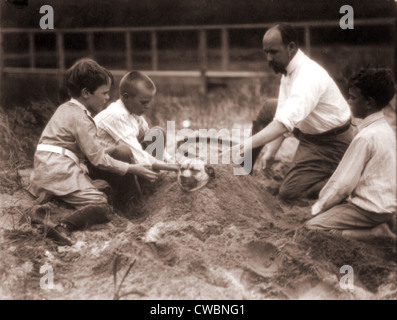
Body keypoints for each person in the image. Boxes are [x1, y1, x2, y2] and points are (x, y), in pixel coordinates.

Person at [28, 58, 158, 245]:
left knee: (110, 171)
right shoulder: (81, 118)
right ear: (86, 93)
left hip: (50, 166)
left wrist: (117, 153)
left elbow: (94, 150)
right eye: (104, 93)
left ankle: (54, 205)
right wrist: (132, 168)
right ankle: (62, 225)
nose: (107, 98)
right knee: (101, 206)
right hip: (59, 169)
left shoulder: (67, 110)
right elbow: (99, 160)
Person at [240, 23, 353, 202]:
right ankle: (243, 170)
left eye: (274, 52)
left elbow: (283, 123)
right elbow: (282, 113)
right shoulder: (288, 71)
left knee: (288, 193)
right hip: (309, 131)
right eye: (266, 52)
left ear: (291, 47)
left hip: (331, 142)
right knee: (269, 106)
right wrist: (271, 150)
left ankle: (346, 182)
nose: (269, 58)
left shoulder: (308, 76)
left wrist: (247, 144)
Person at [306, 68, 396, 241]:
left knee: (312, 228)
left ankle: (374, 233)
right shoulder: (386, 130)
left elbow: (343, 185)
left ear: (369, 103)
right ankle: (377, 227)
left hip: (368, 209)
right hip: (385, 207)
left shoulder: (365, 137)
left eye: (353, 97)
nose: (348, 101)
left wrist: (319, 208)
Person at [93, 71, 172, 212]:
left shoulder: (134, 112)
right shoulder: (117, 115)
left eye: (149, 102)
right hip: (99, 167)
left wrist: (171, 162)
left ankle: (149, 186)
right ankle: (130, 203)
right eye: (144, 102)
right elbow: (138, 155)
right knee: (123, 151)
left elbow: (147, 137)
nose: (147, 106)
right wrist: (174, 168)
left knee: (157, 133)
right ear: (126, 97)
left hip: (123, 164)